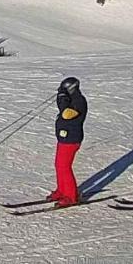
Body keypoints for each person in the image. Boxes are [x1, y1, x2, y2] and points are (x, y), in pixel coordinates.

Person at [46, 76, 86, 207]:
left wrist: (62, 98)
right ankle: (61, 190)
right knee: (59, 165)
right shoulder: (72, 99)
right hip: (64, 138)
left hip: (71, 139)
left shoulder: (79, 101)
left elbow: (66, 114)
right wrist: (62, 98)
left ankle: (71, 196)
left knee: (64, 166)